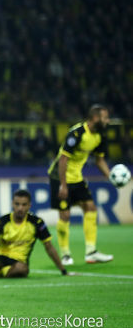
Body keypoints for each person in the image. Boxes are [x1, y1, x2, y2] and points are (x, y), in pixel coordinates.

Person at [48, 104, 114, 266]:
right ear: (95, 118)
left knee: (91, 208)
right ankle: (65, 254)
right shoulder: (77, 133)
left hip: (77, 178)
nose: (108, 120)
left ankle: (91, 252)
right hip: (59, 177)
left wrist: (111, 177)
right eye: (105, 117)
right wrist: (63, 185)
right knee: (65, 215)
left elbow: (99, 160)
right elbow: (63, 159)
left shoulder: (100, 136)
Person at [0, 189, 70, 279]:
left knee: (22, 269)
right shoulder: (2, 222)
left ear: (29, 206)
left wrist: (63, 270)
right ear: (12, 204)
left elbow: (49, 247)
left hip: (18, 262)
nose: (20, 208)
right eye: (17, 204)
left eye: (24, 205)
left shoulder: (37, 223)